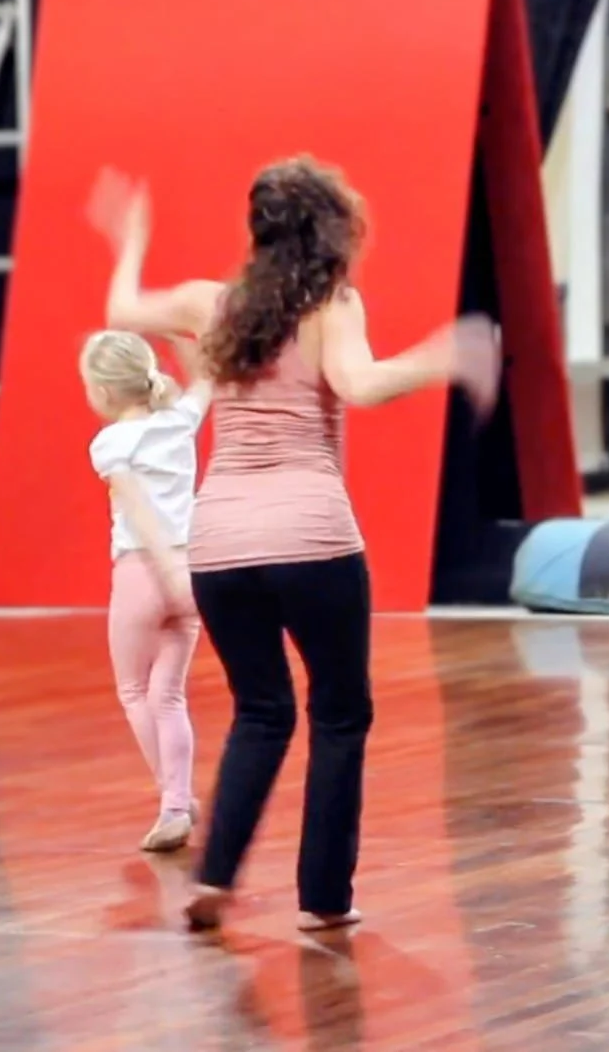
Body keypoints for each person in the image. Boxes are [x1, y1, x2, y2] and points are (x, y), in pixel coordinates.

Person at [91, 156, 499, 931]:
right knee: (339, 713)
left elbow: (121, 308)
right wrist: (443, 358)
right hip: (311, 539)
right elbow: (361, 385)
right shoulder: (330, 304)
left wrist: (131, 238)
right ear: (330, 230)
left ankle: (215, 876)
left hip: (218, 545)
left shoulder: (213, 303)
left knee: (260, 710)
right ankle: (323, 899)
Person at [80, 327, 211, 850]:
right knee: (169, 694)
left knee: (134, 691)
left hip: (143, 570)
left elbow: (136, 508)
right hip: (193, 568)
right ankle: (178, 799)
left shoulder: (111, 442)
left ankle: (174, 800)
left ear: (103, 391)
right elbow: (207, 379)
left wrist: (163, 567)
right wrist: (179, 336)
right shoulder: (179, 422)